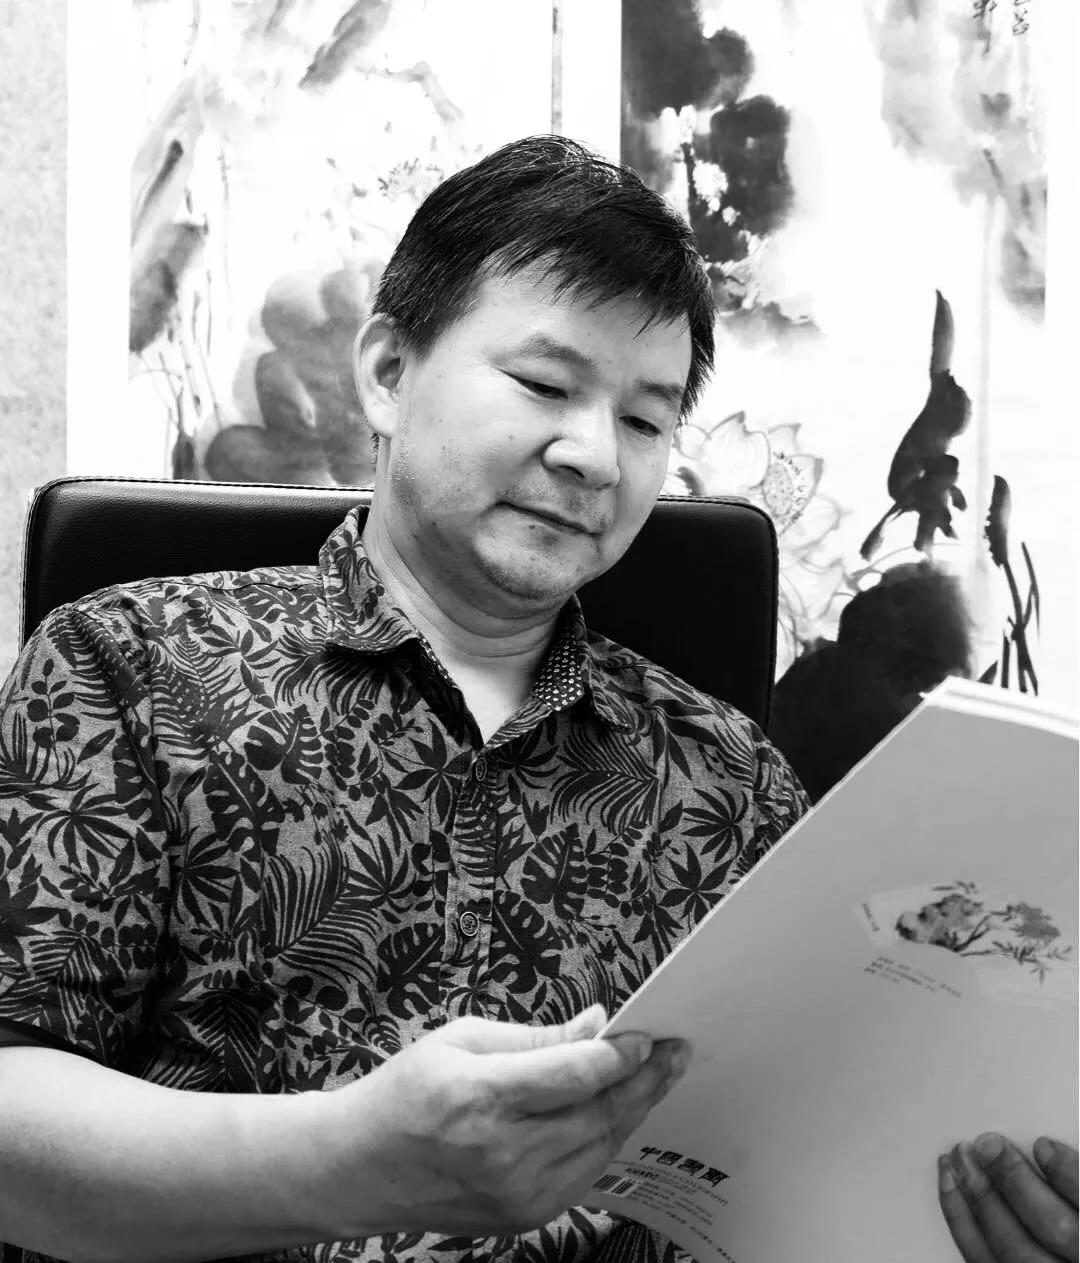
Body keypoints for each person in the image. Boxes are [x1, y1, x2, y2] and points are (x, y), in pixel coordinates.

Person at [0, 137, 1073, 1263]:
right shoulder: (131, 665)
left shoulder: (730, 779)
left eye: (647, 420)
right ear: (388, 370)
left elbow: (798, 1162)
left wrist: (978, 1213)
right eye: (547, 385)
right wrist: (345, 1160)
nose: (595, 455)